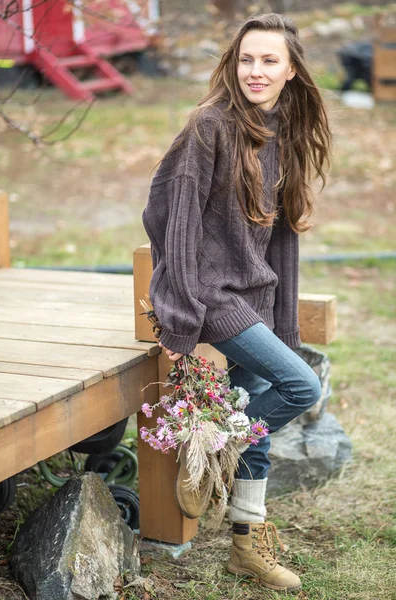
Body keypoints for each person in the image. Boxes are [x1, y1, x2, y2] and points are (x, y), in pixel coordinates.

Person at [142, 12, 332, 593]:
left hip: (255, 297)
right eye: (246, 58)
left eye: (269, 60)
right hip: (215, 297)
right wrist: (180, 315)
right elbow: (167, 216)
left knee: (252, 407)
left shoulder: (285, 133)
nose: (255, 70)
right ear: (233, 64)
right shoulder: (209, 125)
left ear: (292, 70)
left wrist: (281, 317)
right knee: (302, 387)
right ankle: (221, 448)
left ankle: (246, 546)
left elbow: (281, 243)